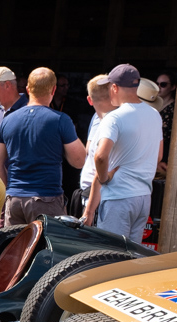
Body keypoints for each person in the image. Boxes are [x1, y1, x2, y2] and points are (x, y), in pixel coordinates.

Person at [0, 67, 85, 226]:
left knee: (16, 250)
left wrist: (10, 190)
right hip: (47, 199)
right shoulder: (61, 120)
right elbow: (79, 161)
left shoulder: (8, 120)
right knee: (48, 250)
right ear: (54, 90)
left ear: (27, 89)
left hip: (14, 200)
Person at [85, 64, 163, 244]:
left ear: (114, 87)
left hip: (118, 196)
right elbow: (158, 157)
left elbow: (100, 156)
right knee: (131, 260)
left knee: (110, 256)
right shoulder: (154, 114)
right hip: (143, 197)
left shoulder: (114, 117)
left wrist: (104, 179)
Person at [73, 75, 113, 219]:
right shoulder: (98, 117)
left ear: (89, 100)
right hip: (93, 193)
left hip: (100, 196)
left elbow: (101, 159)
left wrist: (89, 211)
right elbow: (90, 150)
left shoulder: (113, 120)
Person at [157, 72, 176, 172]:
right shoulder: (153, 107)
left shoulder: (174, 110)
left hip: (166, 154)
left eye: (163, 84)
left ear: (173, 87)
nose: (159, 87)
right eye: (157, 84)